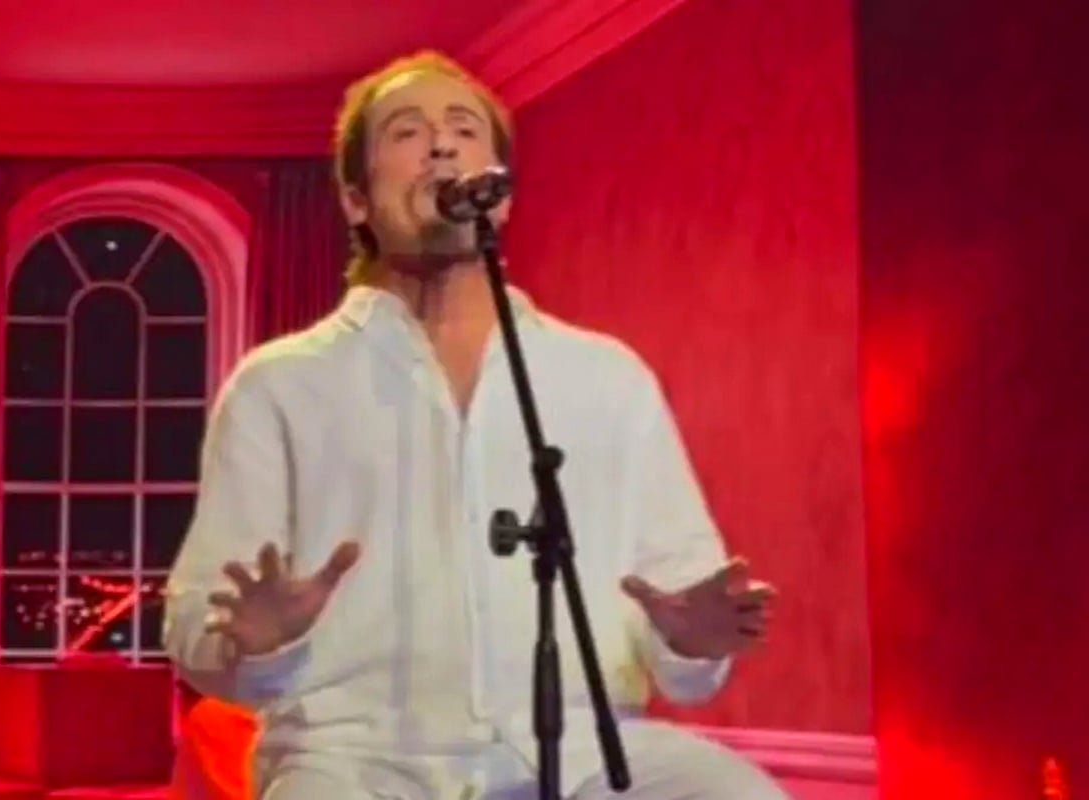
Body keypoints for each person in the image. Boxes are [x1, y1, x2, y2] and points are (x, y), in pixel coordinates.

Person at [164, 50, 789, 800]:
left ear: (501, 195)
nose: (441, 145)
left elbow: (684, 627)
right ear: (357, 200)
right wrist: (260, 644)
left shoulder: (605, 375)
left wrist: (691, 640)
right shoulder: (279, 384)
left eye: (463, 129)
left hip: (588, 750)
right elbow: (197, 624)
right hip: (355, 759)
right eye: (407, 132)